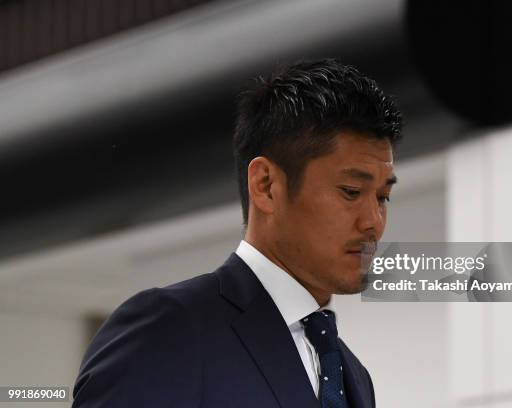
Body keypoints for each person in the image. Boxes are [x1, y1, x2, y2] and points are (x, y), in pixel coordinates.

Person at [72, 58, 403, 407]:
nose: (374, 221)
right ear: (266, 186)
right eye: (351, 191)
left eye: (383, 197)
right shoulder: (170, 331)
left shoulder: (353, 375)